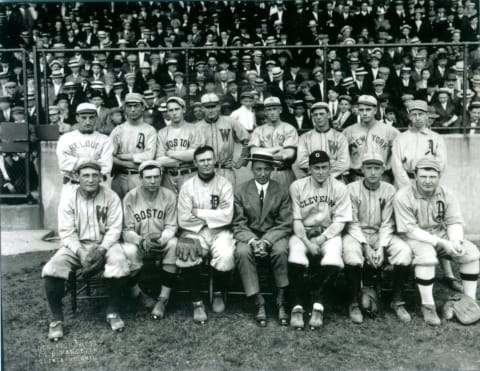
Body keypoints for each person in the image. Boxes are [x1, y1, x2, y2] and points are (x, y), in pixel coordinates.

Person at [42, 160, 129, 341]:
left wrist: (102, 250)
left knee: (120, 262)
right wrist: (81, 252)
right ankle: (56, 319)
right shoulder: (68, 197)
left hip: (105, 243)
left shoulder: (111, 196)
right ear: (77, 178)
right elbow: (66, 231)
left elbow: (115, 229)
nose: (90, 180)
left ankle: (112, 311)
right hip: (76, 245)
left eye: (94, 175)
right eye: (86, 175)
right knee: (52, 268)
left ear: (101, 177)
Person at [393, 158, 480, 326]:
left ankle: (469, 301)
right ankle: (428, 305)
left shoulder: (447, 193)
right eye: (423, 176)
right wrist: (442, 243)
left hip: (440, 235)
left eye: (432, 177)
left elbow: (453, 221)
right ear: (415, 176)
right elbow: (410, 230)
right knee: (427, 257)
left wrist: (455, 241)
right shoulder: (403, 196)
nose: (427, 181)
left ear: (439, 176)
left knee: (471, 253)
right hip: (414, 237)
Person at [391, 100, 461, 291]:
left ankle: (448, 274)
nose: (417, 118)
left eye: (421, 114)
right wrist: (410, 188)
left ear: (427, 116)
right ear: (409, 115)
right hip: (408, 185)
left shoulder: (436, 138)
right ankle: (411, 272)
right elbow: (397, 166)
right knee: (411, 227)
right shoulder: (401, 138)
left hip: (429, 183)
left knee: (437, 223)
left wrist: (427, 184)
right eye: (413, 114)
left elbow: (442, 164)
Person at [343, 152, 413, 324]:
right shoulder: (350, 188)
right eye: (369, 168)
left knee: (404, 252)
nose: (373, 172)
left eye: (376, 168)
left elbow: (388, 223)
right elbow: (352, 223)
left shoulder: (389, 190)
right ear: (362, 169)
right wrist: (366, 246)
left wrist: (381, 247)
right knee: (351, 254)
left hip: (381, 233)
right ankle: (353, 302)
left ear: (383, 170)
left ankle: (397, 300)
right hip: (356, 233)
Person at [288, 150, 352, 330]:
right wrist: (308, 243)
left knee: (333, 257)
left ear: (330, 168)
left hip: (329, 232)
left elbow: (341, 221)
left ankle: (318, 304)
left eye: (324, 167)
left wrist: (322, 238)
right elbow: (297, 220)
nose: (321, 172)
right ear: (309, 169)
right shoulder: (297, 186)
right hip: (304, 233)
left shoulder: (340, 187)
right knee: (295, 255)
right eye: (316, 168)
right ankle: (297, 305)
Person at [177, 145, 236, 324]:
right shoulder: (187, 186)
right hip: (195, 232)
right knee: (187, 253)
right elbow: (184, 219)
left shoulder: (224, 183)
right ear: (195, 163)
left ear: (214, 160)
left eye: (209, 159)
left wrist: (198, 212)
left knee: (226, 255)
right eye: (202, 160)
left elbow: (227, 215)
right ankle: (197, 302)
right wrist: (212, 216)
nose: (206, 163)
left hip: (220, 231)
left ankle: (217, 293)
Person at [233, 151, 292, 327]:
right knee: (242, 252)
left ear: (272, 170)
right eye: (258, 169)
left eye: (267, 169)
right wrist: (253, 241)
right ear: (252, 169)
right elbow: (238, 224)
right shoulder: (241, 190)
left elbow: (285, 223)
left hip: (274, 234)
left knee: (281, 250)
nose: (263, 173)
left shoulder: (281, 190)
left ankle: (281, 299)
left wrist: (266, 241)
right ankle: (258, 301)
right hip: (249, 235)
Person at [121, 160, 178, 320]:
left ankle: (163, 298)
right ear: (140, 178)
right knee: (129, 250)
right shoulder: (130, 197)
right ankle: (136, 293)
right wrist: (141, 241)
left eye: (156, 177)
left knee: (173, 244)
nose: (153, 181)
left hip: (161, 240)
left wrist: (162, 239)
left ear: (161, 177)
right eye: (148, 177)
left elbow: (172, 226)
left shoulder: (169, 196)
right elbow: (127, 230)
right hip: (139, 241)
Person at [56, 103, 113, 192]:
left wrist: (76, 163)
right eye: (83, 118)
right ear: (77, 118)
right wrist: (92, 162)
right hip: (72, 186)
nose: (87, 122)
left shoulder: (105, 140)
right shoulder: (66, 138)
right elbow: (63, 163)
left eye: (91, 117)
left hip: (97, 187)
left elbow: (106, 166)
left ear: (96, 119)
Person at [196, 93, 250, 186]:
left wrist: (241, 161)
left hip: (225, 169)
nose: (210, 110)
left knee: (228, 199)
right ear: (202, 108)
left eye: (213, 106)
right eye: (207, 107)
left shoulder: (230, 122)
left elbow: (247, 140)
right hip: (205, 172)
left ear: (219, 107)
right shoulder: (196, 127)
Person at [110, 93, 157, 198]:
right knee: (119, 211)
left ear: (143, 107)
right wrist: (127, 164)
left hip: (139, 176)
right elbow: (109, 155)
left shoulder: (150, 130)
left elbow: (149, 156)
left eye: (136, 106)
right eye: (129, 106)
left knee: (140, 209)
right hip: (120, 176)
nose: (132, 109)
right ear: (125, 108)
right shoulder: (118, 130)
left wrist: (126, 156)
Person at [343, 95, 399, 183]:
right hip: (357, 177)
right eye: (361, 110)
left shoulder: (390, 131)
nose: (364, 113)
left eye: (368, 109)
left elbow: (397, 156)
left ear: (375, 110)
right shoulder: (348, 131)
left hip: (382, 177)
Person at [155, 97, 204, 193]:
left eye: (177, 109)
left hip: (190, 175)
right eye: (171, 110)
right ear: (167, 112)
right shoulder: (162, 132)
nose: (174, 113)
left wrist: (170, 153)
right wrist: (184, 158)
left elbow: (195, 155)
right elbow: (160, 160)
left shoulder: (195, 129)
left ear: (184, 110)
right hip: (168, 178)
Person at [249, 96, 299, 190]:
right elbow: (253, 152)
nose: (272, 112)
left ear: (280, 110)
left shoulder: (289, 129)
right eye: (269, 109)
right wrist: (278, 149)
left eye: (274, 109)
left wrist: (263, 152)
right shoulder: (258, 130)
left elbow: (288, 154)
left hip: (284, 172)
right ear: (265, 112)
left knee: (287, 202)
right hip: (264, 174)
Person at [295, 101, 350, 180]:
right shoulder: (304, 138)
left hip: (335, 179)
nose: (318, 117)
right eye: (315, 115)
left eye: (321, 114)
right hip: (312, 180)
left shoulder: (340, 137)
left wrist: (322, 171)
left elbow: (344, 163)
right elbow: (301, 161)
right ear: (312, 117)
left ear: (328, 115)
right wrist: (332, 162)